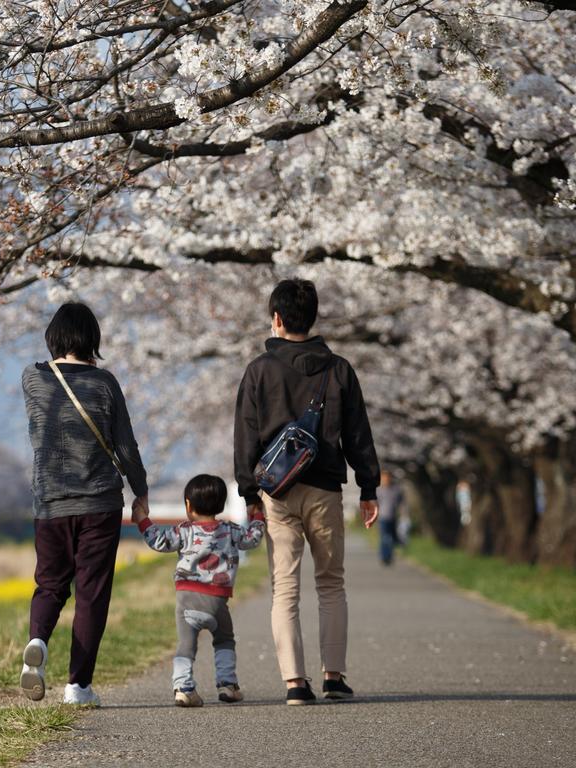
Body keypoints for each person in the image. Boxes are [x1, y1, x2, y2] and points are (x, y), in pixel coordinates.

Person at [234, 278, 380, 705]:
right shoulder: (339, 369)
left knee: (285, 587)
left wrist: (249, 495)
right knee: (331, 583)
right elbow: (358, 433)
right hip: (326, 490)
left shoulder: (259, 370)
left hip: (276, 494)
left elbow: (245, 436)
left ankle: (295, 683)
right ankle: (333, 676)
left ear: (276, 319)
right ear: (313, 317)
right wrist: (368, 486)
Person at [20, 302, 149, 707]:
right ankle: (78, 686)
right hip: (99, 504)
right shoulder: (104, 384)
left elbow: (50, 373)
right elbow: (125, 446)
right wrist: (140, 491)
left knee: (50, 583)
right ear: (93, 339)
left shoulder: (32, 379)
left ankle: (37, 640)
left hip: (50, 504)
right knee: (91, 593)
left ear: (53, 337)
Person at [132, 474, 265, 707]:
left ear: (188, 505)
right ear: (221, 505)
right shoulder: (231, 530)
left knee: (186, 646)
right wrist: (257, 516)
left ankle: (183, 688)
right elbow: (252, 539)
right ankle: (227, 684)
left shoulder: (183, 531)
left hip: (187, 601)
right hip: (217, 602)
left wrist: (142, 519)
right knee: (224, 640)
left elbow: (158, 540)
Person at [377, 471, 405, 565]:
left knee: (392, 538)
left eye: (387, 478)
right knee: (385, 538)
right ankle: (384, 557)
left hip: (393, 517)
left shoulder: (396, 490)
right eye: (384, 478)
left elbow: (402, 502)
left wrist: (403, 514)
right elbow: (375, 503)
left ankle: (389, 556)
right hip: (382, 518)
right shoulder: (379, 490)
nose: (386, 480)